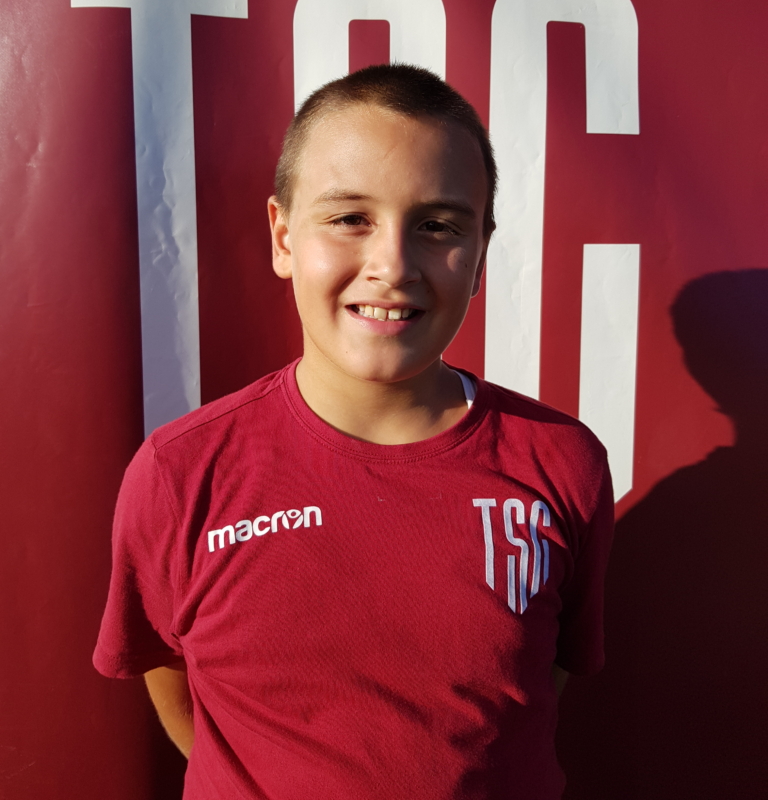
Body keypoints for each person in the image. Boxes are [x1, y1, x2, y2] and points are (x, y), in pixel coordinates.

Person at [94, 64, 613, 800]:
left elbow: (543, 677)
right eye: (349, 219)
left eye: (437, 226)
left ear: (481, 254)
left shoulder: (561, 461)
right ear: (283, 237)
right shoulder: (181, 472)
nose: (392, 267)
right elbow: (169, 674)